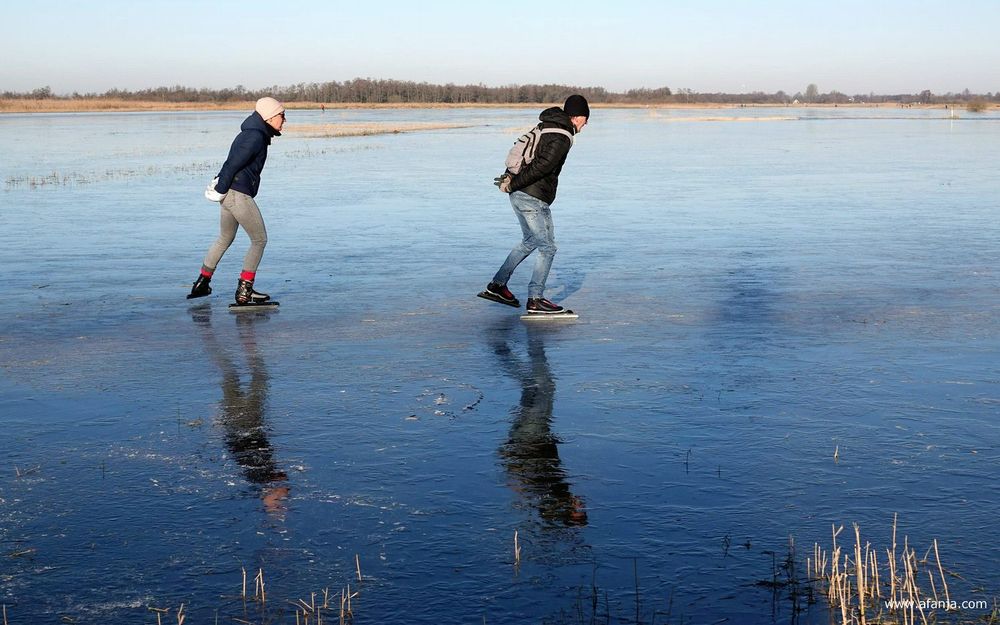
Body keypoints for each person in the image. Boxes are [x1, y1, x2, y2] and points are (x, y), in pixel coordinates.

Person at [479, 94, 590, 314]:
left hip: (521, 194)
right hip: (531, 196)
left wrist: (511, 182)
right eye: (586, 119)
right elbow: (542, 166)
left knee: (529, 241)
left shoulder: (546, 126)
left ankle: (497, 286)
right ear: (578, 117)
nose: (586, 125)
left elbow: (529, 157)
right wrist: (513, 185)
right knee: (547, 247)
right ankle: (536, 299)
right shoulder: (562, 135)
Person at [188, 97, 286, 305]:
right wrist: (220, 188)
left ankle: (202, 282)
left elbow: (230, 162)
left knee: (225, 238)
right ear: (269, 117)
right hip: (237, 194)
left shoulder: (253, 133)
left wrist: (221, 187)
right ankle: (245, 290)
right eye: (281, 115)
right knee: (259, 240)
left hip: (231, 194)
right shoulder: (255, 137)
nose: (284, 120)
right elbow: (232, 164)